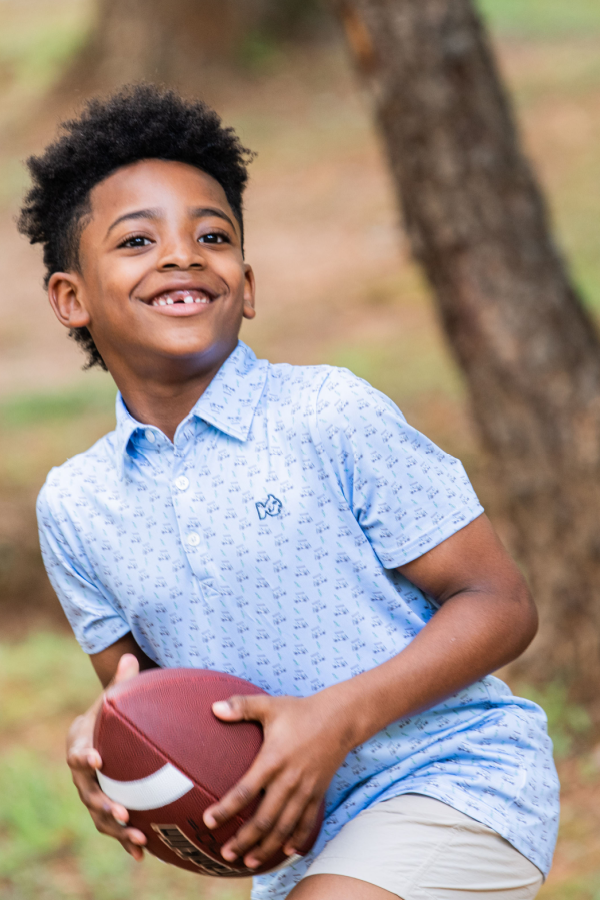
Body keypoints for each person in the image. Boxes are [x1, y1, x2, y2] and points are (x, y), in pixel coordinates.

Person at [23, 85, 559, 900]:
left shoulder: (326, 415)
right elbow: (145, 700)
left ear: (247, 282)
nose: (182, 255)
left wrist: (334, 719)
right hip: (294, 843)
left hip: (452, 779)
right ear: (72, 299)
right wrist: (100, 746)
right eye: (138, 240)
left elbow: (499, 603)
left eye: (213, 235)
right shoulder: (77, 507)